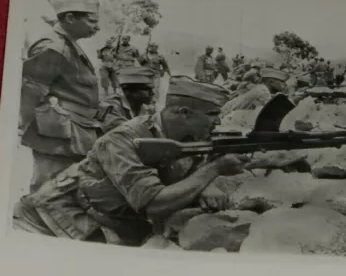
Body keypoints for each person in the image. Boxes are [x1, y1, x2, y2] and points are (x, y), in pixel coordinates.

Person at [13, 76, 249, 246]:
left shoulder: (189, 137)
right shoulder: (121, 139)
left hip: (110, 224)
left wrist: (209, 181)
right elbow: (155, 205)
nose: (217, 122)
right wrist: (214, 170)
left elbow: (196, 164)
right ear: (183, 113)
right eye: (211, 115)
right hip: (49, 222)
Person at [19, 0, 102, 193]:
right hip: (57, 136)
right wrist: (45, 123)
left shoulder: (68, 45)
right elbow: (30, 94)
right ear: (70, 18)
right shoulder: (54, 47)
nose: (96, 27)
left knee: (65, 192)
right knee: (48, 193)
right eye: (91, 21)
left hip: (74, 133)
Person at [96, 66, 157, 134]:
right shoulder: (110, 106)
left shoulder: (147, 108)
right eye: (147, 89)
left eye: (152, 89)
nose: (152, 93)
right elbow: (124, 134)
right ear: (129, 91)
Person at [220, 68, 289, 117]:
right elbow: (273, 114)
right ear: (271, 82)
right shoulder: (264, 93)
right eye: (282, 82)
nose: (285, 84)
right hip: (227, 118)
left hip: (226, 113)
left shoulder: (261, 88)